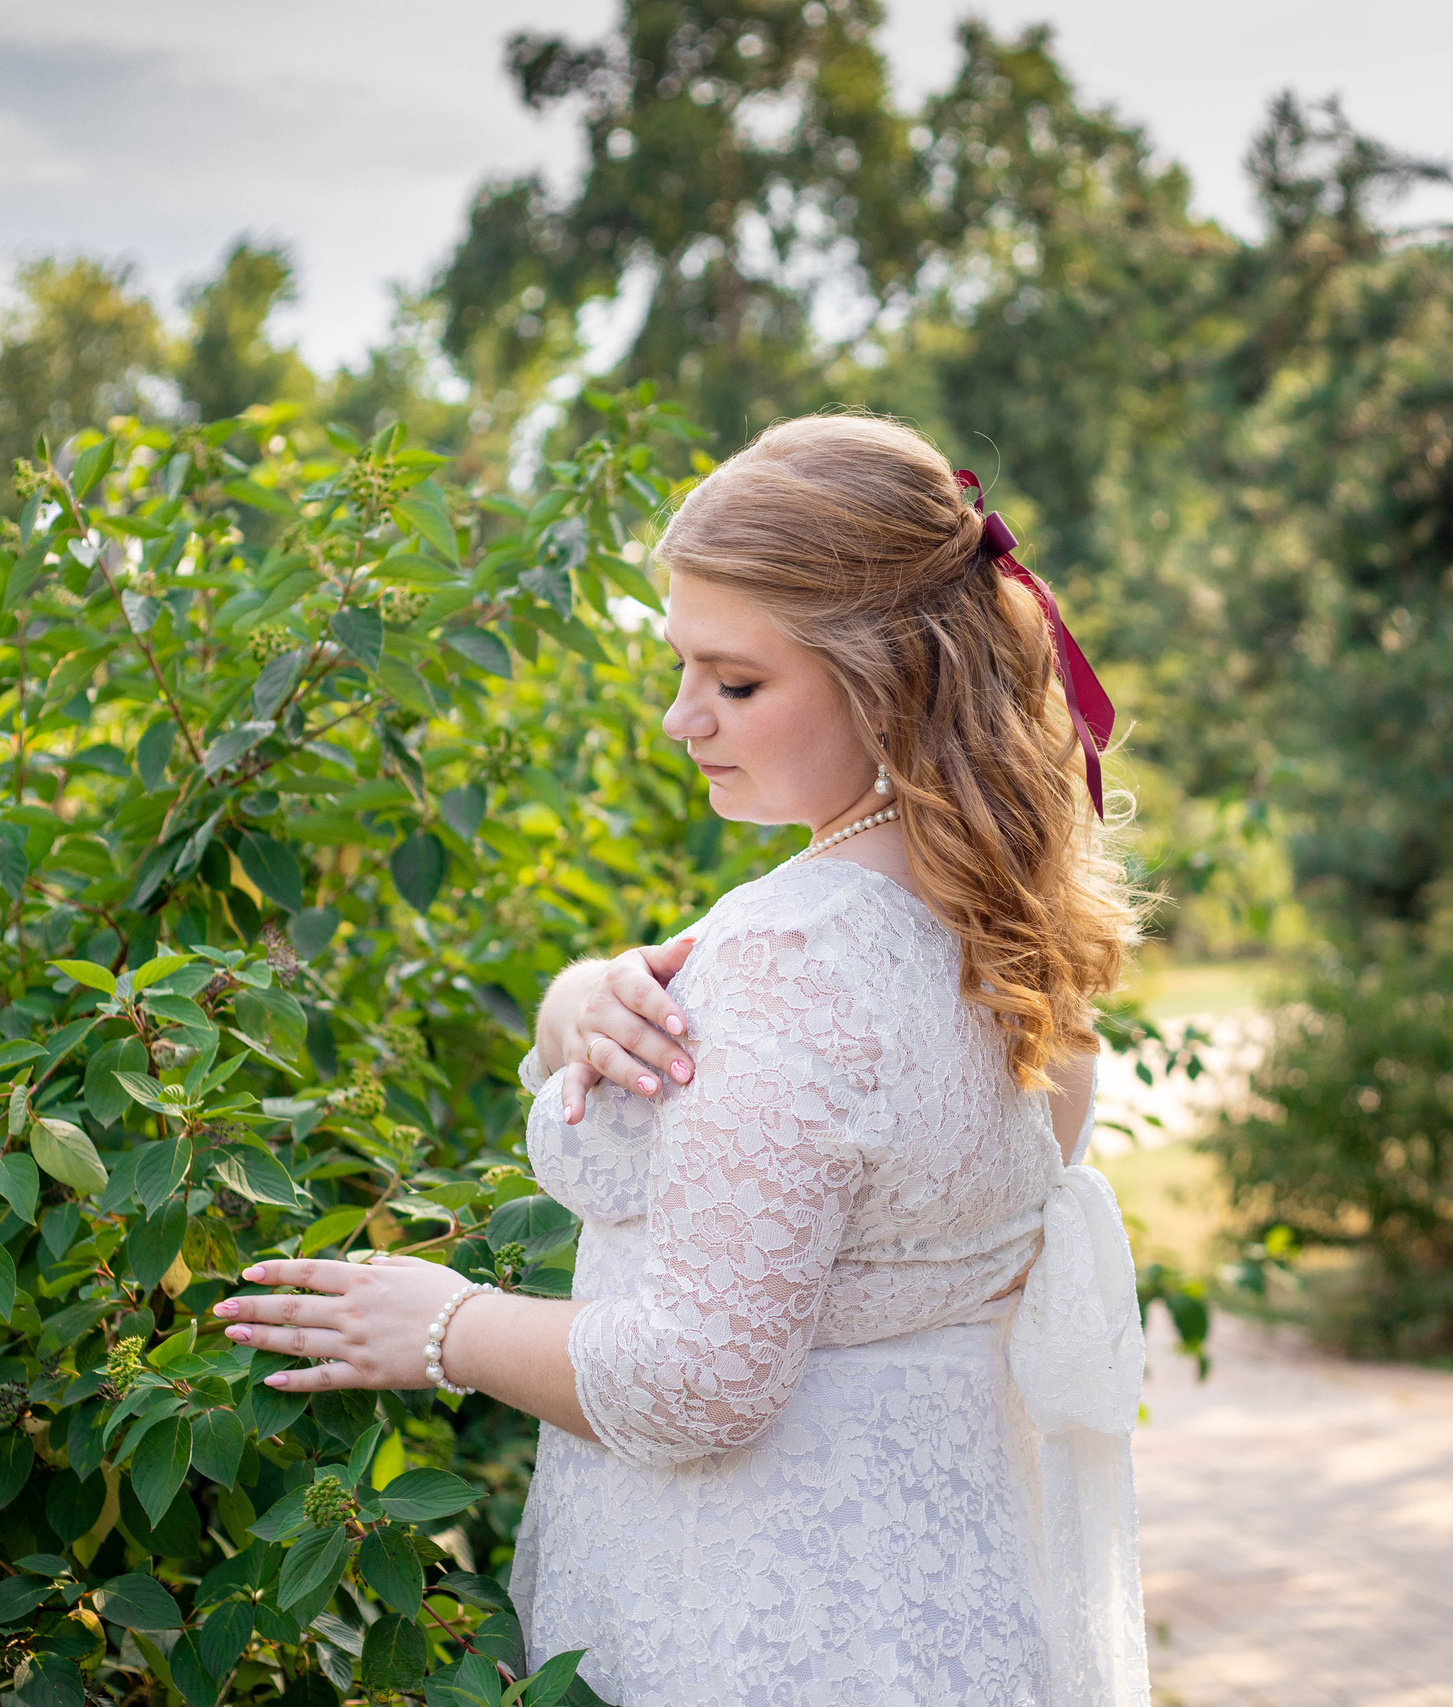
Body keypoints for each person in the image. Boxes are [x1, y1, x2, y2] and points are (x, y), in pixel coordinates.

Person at [212, 413, 1150, 1706]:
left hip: (762, 1615)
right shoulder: (1013, 936)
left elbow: (702, 1381)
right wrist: (578, 995)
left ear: (890, 679)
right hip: (960, 1598)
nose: (679, 719)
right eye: (681, 668)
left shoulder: (789, 958)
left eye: (736, 682)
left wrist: (445, 1325)